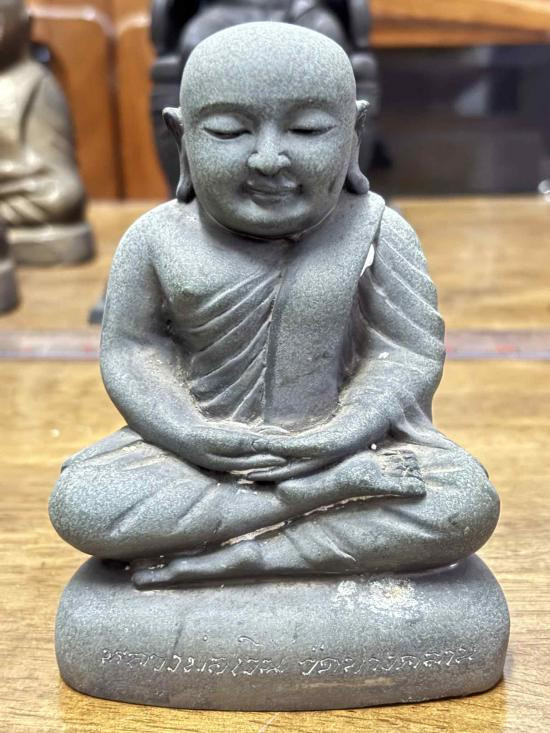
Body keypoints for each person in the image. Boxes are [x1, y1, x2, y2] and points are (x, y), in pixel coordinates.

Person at [50, 23, 499, 588]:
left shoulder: (379, 231)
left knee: (461, 501)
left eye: (307, 129)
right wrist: (188, 432)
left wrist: (342, 433)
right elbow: (132, 350)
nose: (268, 159)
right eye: (228, 131)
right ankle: (310, 503)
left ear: (354, 133)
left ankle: (248, 556)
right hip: (201, 460)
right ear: (181, 137)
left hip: (346, 450)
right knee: (84, 501)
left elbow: (406, 355)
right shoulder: (155, 238)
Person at [0, 0, 94, 264]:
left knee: (62, 197)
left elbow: (58, 170)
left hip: (33, 190)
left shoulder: (36, 83)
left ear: (23, 24)